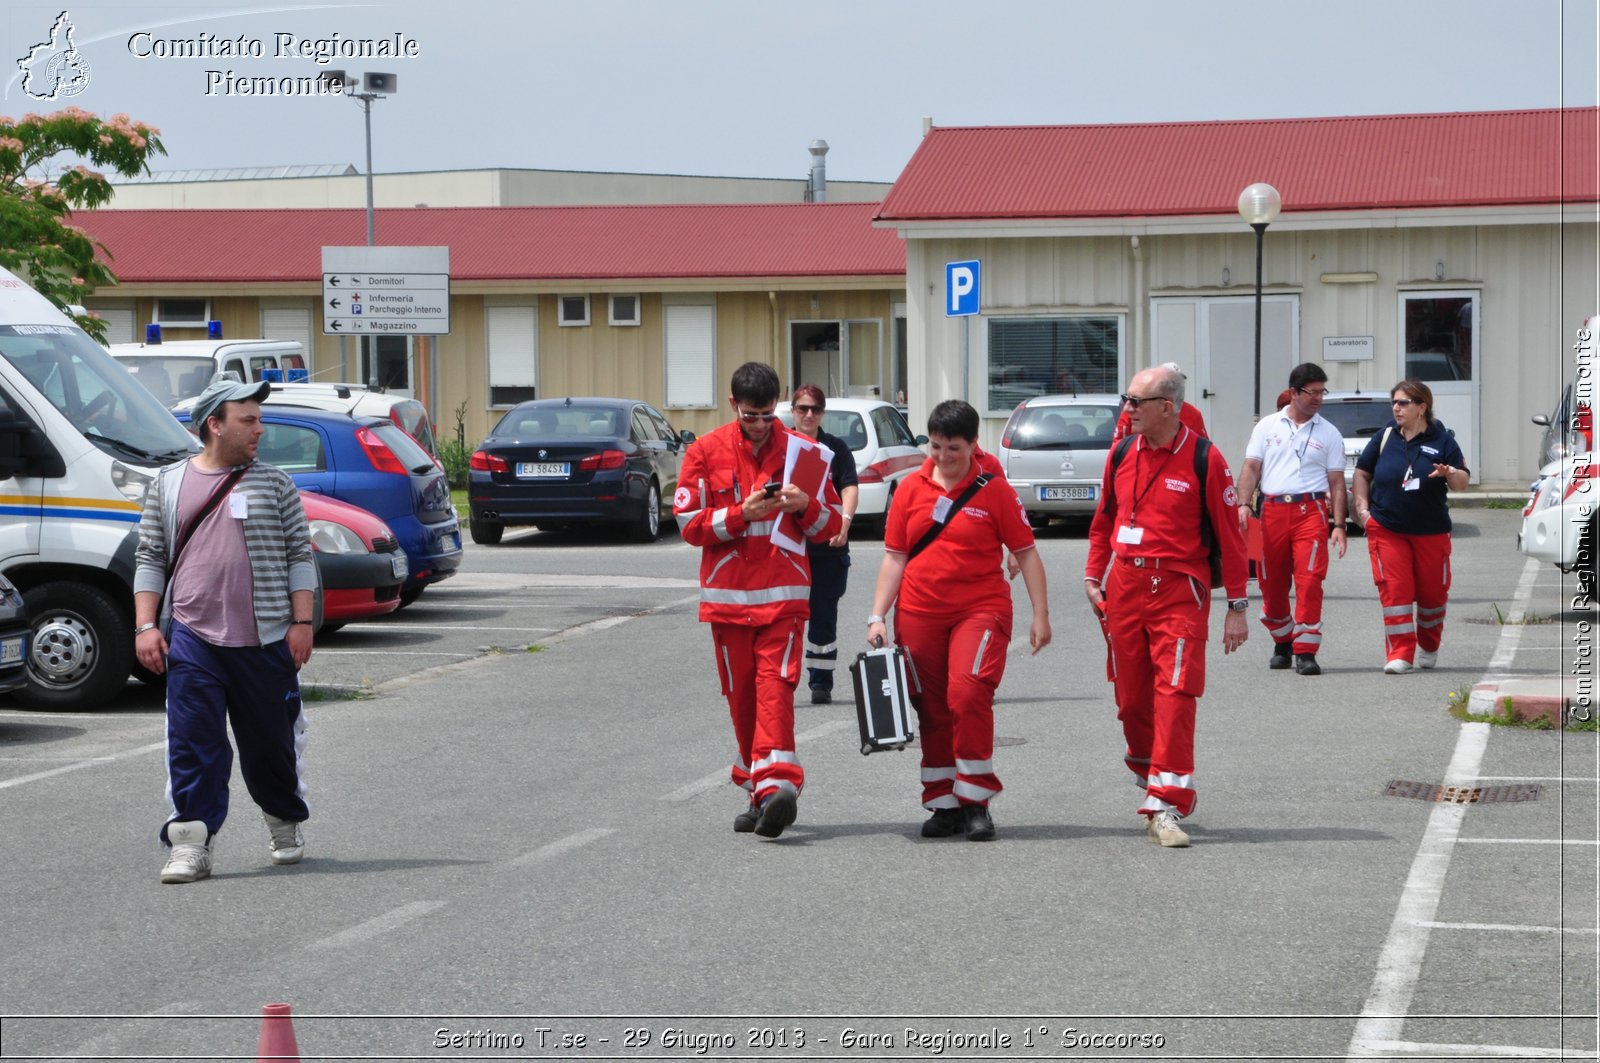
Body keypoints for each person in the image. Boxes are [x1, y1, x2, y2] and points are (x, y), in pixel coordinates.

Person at [134, 378, 317, 884]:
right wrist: (145, 625)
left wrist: (301, 623)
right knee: (193, 743)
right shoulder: (167, 484)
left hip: (264, 640)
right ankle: (190, 844)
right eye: (249, 420)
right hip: (193, 638)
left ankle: (283, 819)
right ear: (214, 424)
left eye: (259, 419)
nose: (260, 429)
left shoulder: (275, 483)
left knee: (270, 745)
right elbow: (150, 557)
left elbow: (300, 557)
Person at [867, 399, 1050, 842]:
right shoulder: (910, 489)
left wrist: (1040, 615)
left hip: (980, 609)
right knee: (930, 707)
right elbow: (895, 557)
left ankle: (975, 801)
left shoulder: (994, 489)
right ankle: (943, 803)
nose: (944, 457)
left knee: (966, 694)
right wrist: (877, 616)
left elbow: (1025, 552)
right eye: (935, 447)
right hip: (919, 612)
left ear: (973, 445)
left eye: (953, 448)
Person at [674, 362, 842, 838]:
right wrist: (738, 514)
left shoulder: (807, 455)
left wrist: (805, 506)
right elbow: (688, 524)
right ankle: (759, 790)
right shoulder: (705, 451)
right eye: (752, 416)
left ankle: (776, 788)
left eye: (769, 415)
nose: (762, 425)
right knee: (743, 701)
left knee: (776, 692)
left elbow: (830, 527)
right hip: (728, 603)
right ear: (734, 406)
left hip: (785, 602)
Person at [1084, 366, 1249, 848]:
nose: (1126, 410)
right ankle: (1148, 769)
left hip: (1179, 587)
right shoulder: (1120, 453)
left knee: (1176, 692)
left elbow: (1232, 540)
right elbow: (1103, 523)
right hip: (1125, 584)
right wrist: (1094, 575)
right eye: (1126, 400)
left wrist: (1236, 606)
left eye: (1136, 402)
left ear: (1167, 406)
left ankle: (1165, 801)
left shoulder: (1204, 457)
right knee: (1132, 698)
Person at [1233, 363, 1349, 676]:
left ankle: (1306, 651)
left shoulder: (1329, 433)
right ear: (1294, 393)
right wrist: (1243, 504)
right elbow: (1251, 469)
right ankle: (1282, 641)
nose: (1318, 399)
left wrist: (1339, 525)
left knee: (1310, 581)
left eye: (1322, 392)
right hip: (1268, 513)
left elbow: (1337, 482)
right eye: (1312, 393)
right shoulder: (1267, 426)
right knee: (1270, 585)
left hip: (1310, 512)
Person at [1351, 379, 1468, 674]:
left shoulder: (1443, 441)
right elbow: (1362, 472)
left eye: (1403, 402)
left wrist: (1449, 472)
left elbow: (1462, 483)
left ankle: (1429, 644)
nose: (1396, 408)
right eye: (1394, 402)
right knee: (1395, 592)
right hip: (1387, 528)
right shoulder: (1385, 436)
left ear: (1421, 407)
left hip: (1431, 531)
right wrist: (1364, 511)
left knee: (1432, 595)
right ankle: (1400, 653)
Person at [789, 385, 860, 704]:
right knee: (785, 617)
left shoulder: (836, 449)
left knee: (823, 616)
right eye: (803, 408)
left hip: (828, 548)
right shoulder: (783, 446)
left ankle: (821, 682)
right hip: (790, 547)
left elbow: (849, 487)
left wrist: (845, 523)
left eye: (815, 409)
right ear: (793, 411)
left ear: (822, 413)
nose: (808, 414)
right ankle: (781, 680)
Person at [1108, 361, 1209, 448]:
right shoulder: (1133, 409)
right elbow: (1118, 443)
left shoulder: (1193, 413)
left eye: (1177, 382)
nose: (1173, 387)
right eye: (1168, 383)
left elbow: (1203, 446)